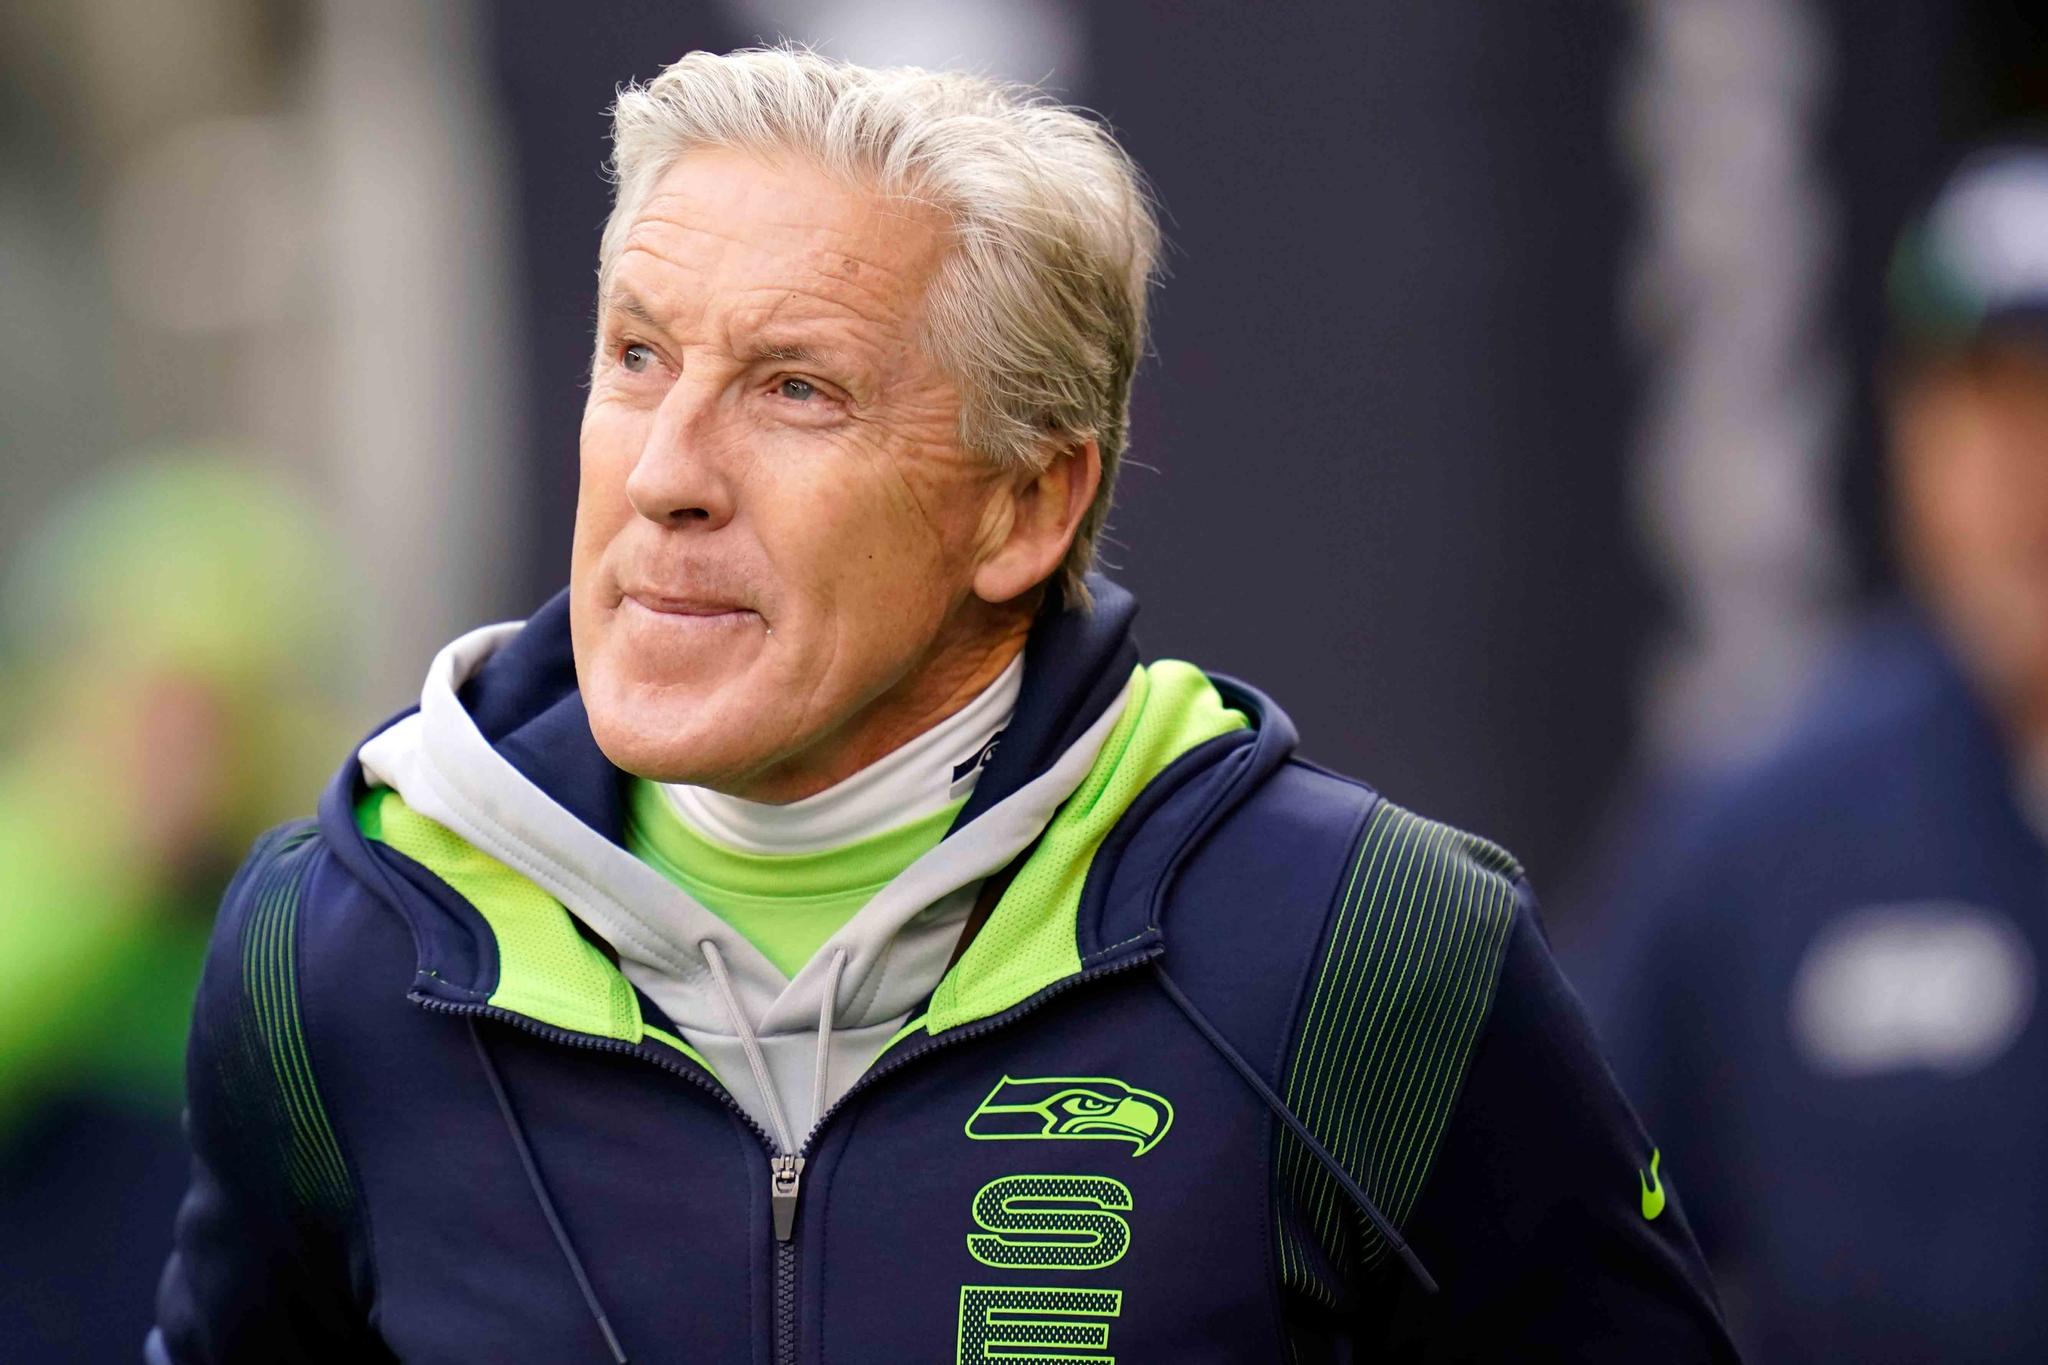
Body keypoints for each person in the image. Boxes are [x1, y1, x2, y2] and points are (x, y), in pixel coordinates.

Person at [150, 48, 1734, 1362]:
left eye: (796, 387)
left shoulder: (1357, 948)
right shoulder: (337, 952)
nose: (668, 471)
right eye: (637, 357)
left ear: (1026, 511)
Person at [1572, 140, 2048, 1362]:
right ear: (1906, 438)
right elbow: (1540, 1226)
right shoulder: (1760, 831)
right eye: (1984, 405)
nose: (2027, 472)